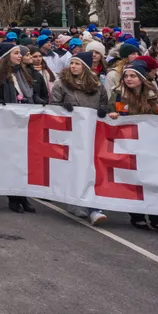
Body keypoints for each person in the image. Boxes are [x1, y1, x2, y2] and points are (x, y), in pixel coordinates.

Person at [107, 63, 158, 235]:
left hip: (151, 144)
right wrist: (112, 115)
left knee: (154, 180)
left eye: (133, 76)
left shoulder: (154, 94)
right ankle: (137, 216)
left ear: (142, 78)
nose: (128, 79)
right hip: (129, 144)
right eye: (126, 76)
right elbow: (110, 112)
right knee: (134, 180)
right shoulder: (118, 94)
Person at [49, 57, 111, 225]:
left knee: (91, 167)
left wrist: (104, 110)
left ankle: (91, 203)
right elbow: (53, 106)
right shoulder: (62, 84)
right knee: (74, 166)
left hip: (92, 131)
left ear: (85, 66)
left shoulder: (96, 84)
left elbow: (104, 102)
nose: (73, 66)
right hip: (71, 132)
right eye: (72, 63)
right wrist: (62, 109)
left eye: (77, 64)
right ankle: (74, 202)